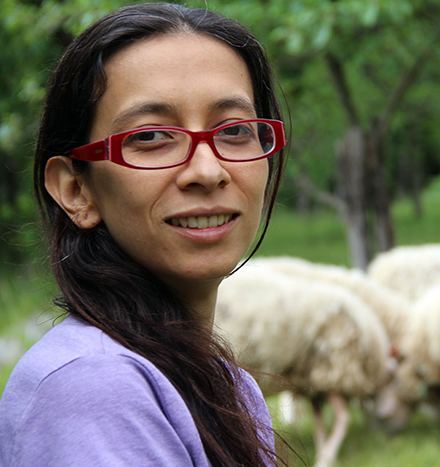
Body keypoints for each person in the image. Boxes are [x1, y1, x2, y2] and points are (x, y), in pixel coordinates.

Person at [0, 3, 287, 466]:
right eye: (151, 137)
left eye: (234, 130)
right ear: (76, 189)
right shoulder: (95, 385)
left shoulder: (224, 384)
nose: (207, 171)